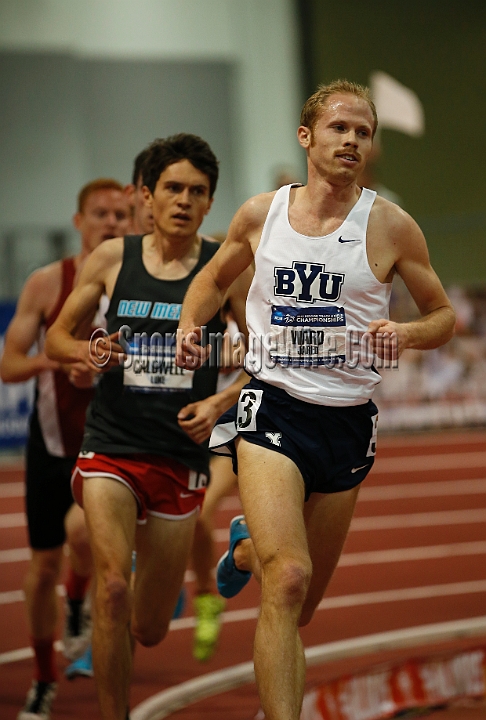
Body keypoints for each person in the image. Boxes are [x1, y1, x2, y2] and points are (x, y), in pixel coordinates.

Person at [176, 79, 456, 720]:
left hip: (348, 424)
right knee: (290, 578)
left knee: (302, 602)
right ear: (307, 137)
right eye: (339, 128)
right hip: (272, 406)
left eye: (363, 131)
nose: (352, 141)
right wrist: (195, 328)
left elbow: (443, 317)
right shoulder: (260, 215)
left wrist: (406, 332)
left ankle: (247, 549)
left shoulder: (389, 226)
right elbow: (210, 281)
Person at [44, 133, 251, 720]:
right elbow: (59, 335)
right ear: (146, 195)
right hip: (111, 444)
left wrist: (219, 404)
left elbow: (261, 357)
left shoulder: (226, 268)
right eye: (173, 188)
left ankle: (192, 584)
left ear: (211, 204)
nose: (184, 201)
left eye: (198, 191)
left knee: (151, 627)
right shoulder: (113, 259)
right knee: (112, 588)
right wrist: (89, 353)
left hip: (179, 456)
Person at [0, 179, 131, 720]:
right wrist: (60, 360)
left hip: (107, 444)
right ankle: (44, 676)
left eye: (122, 215)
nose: (112, 224)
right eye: (100, 214)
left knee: (83, 537)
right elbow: (8, 366)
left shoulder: (139, 283)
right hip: (50, 443)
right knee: (43, 566)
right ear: (79, 222)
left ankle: (78, 602)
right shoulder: (47, 283)